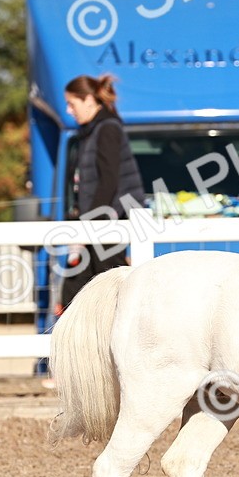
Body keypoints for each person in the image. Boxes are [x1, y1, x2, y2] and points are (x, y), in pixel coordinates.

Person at [57, 74, 145, 315]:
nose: (68, 110)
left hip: (109, 221)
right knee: (80, 288)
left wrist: (89, 225)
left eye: (71, 104)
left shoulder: (107, 129)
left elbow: (108, 181)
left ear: (88, 100)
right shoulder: (92, 131)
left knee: (108, 288)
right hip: (100, 221)